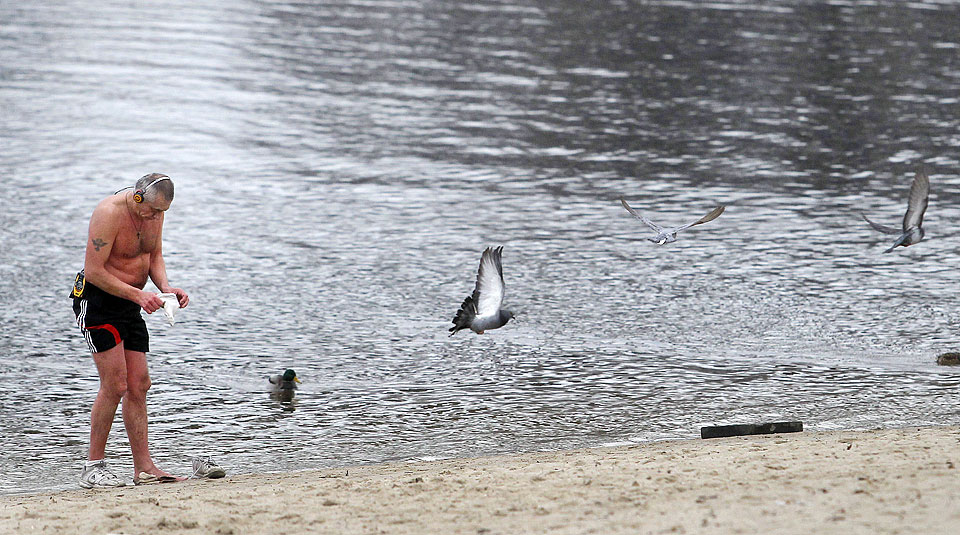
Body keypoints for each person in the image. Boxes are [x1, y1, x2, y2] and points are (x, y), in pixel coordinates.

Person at [72, 173, 190, 488]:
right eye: (152, 211)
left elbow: (153, 256)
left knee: (139, 383)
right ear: (137, 197)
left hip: (132, 303)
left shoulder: (154, 211)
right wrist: (140, 295)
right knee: (115, 384)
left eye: (162, 213)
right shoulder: (109, 212)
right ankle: (92, 467)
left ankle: (144, 468)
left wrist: (165, 290)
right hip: (98, 303)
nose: (155, 217)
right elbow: (95, 271)